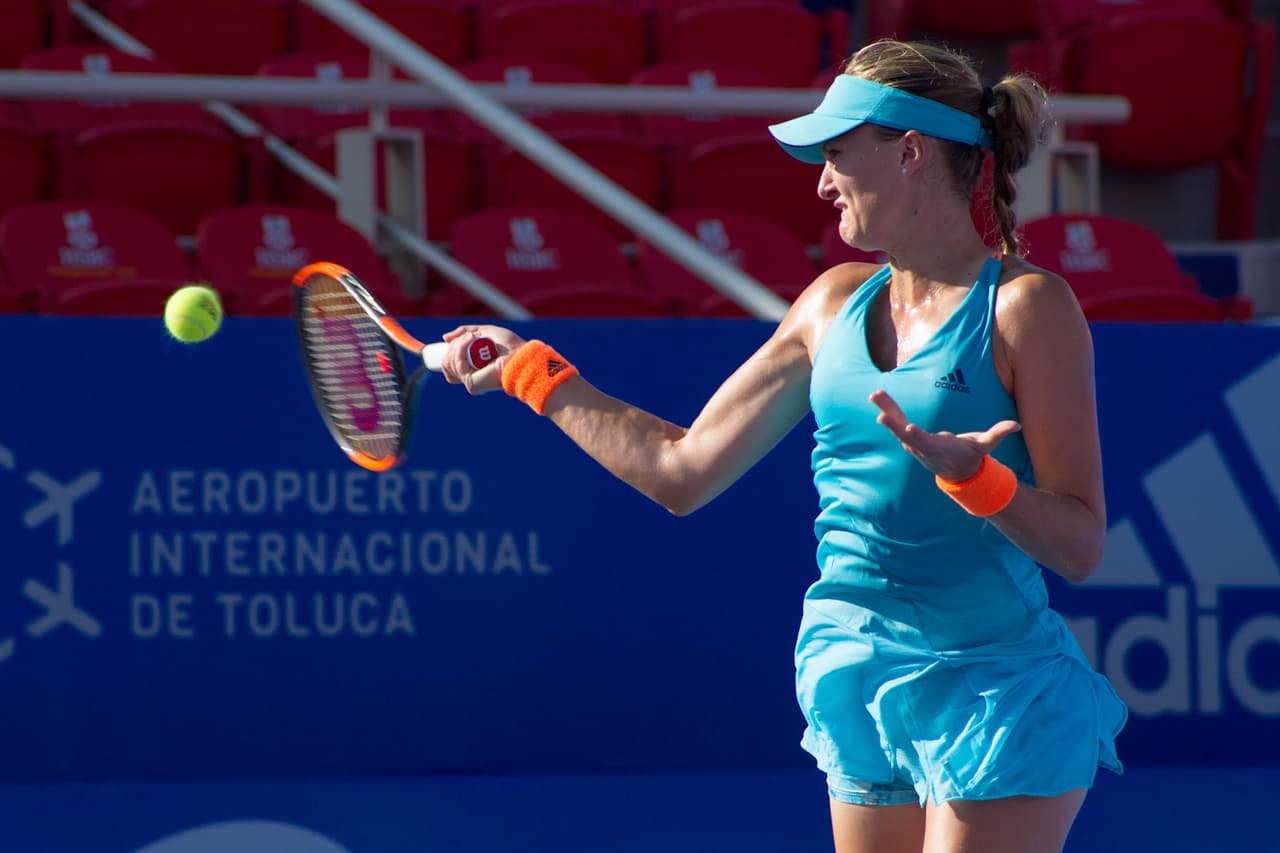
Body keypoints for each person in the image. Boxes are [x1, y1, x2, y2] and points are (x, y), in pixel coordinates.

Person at [438, 38, 1127, 853]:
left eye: (838, 154)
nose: (822, 181)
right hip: (856, 668)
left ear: (909, 153)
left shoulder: (1026, 308)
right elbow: (681, 469)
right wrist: (531, 371)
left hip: (994, 690)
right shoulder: (827, 303)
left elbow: (1082, 543)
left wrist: (981, 482)